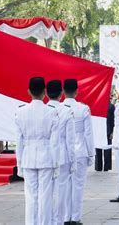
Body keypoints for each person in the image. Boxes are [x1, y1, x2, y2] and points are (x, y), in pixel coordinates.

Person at [15, 77, 60, 225]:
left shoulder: (20, 112)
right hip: (46, 157)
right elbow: (54, 142)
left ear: (29, 91)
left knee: (30, 197)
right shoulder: (51, 112)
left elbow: (19, 141)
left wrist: (19, 163)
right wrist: (56, 163)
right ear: (44, 92)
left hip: (28, 157)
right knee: (45, 196)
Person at [62, 79, 95, 224]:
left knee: (64, 187)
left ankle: (65, 217)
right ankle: (75, 218)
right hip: (80, 151)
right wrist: (91, 153)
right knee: (78, 186)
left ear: (63, 91)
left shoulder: (58, 109)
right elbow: (88, 133)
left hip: (63, 153)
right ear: (76, 91)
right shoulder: (83, 109)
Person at [46, 80, 76, 225]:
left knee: (46, 192)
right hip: (62, 156)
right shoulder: (67, 110)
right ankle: (58, 221)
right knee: (61, 191)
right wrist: (73, 161)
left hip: (45, 156)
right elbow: (71, 140)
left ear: (46, 93)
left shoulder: (43, 110)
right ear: (61, 94)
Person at [95, 99, 113, 172]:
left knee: (98, 149)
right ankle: (106, 167)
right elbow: (112, 120)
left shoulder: (97, 105)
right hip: (107, 130)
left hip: (99, 130)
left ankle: (98, 167)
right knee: (107, 149)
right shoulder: (111, 106)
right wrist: (112, 131)